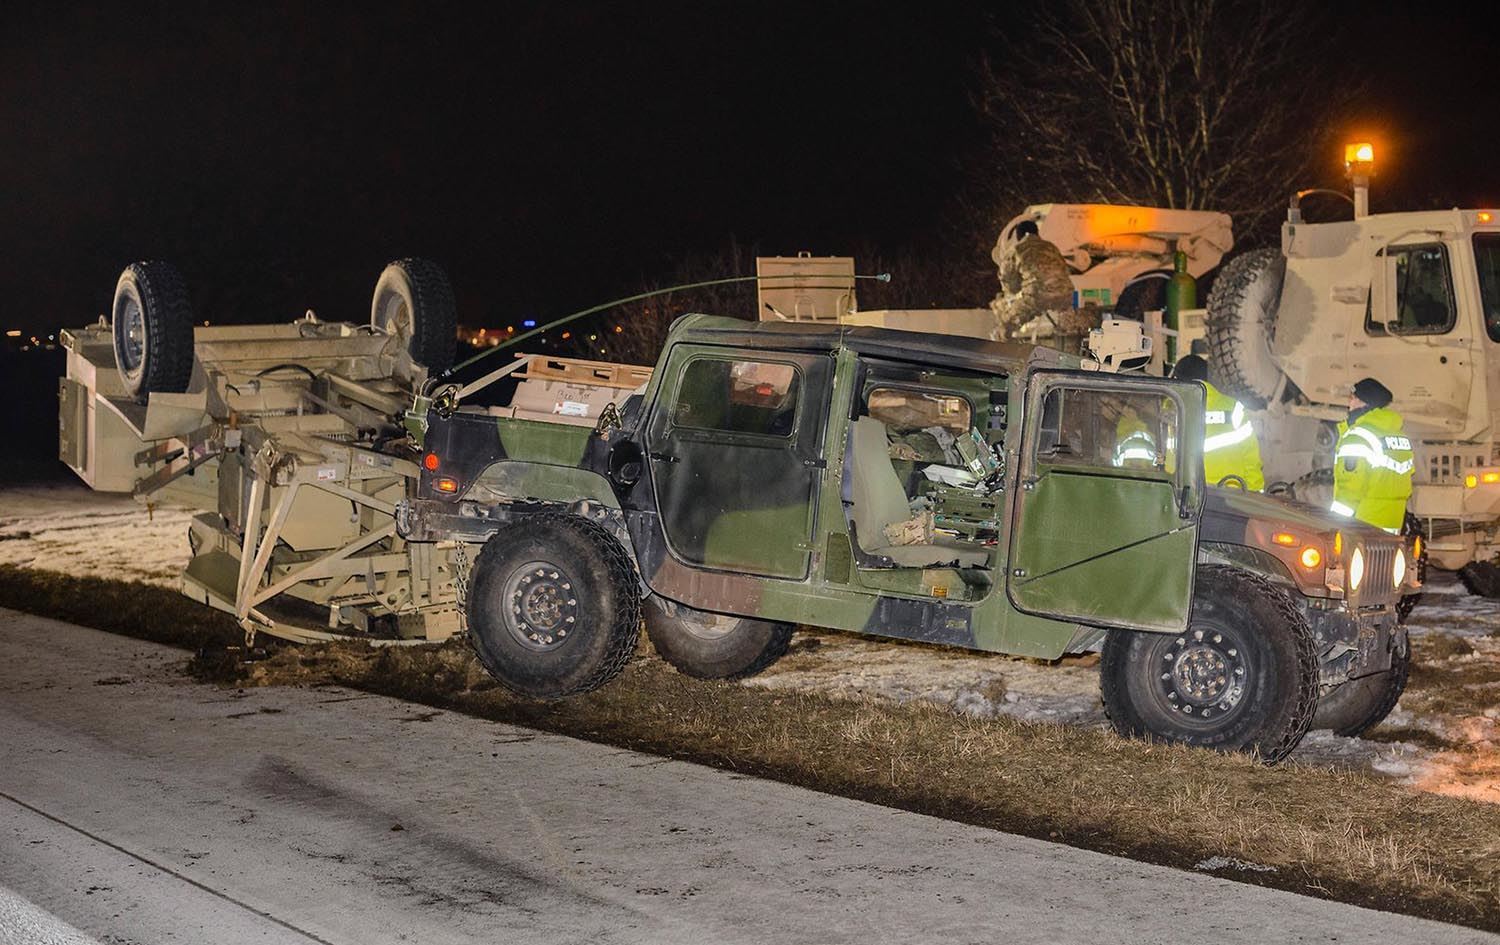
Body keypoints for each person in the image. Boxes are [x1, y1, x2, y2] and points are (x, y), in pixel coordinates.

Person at [1331, 377, 1414, 532]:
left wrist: (1336, 524)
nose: (1349, 402)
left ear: (1364, 402)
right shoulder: (1399, 436)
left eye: (1352, 397)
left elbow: (1350, 487)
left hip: (1362, 523)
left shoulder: (1358, 436)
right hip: (1392, 521)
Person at [1172, 355, 1264, 491]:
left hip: (1185, 497)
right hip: (1230, 497)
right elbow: (1251, 457)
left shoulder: (1171, 408)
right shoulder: (1233, 408)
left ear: (1177, 380)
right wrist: (1255, 494)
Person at [990, 220, 1078, 340]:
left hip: (1037, 296)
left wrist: (1015, 291)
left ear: (1018, 236)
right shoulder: (1051, 247)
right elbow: (1064, 269)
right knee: (1069, 328)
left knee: (1006, 324)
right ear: (1037, 233)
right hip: (1065, 295)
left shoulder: (1017, 250)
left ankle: (1006, 352)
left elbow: (1008, 280)